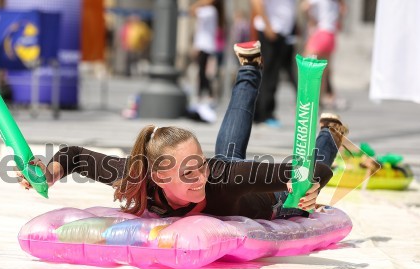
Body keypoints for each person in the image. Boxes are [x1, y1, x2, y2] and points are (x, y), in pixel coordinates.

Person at [18, 41, 349, 220]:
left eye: (199, 164)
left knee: (228, 164)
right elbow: (74, 156)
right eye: (188, 172)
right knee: (228, 157)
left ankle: (330, 132)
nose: (200, 177)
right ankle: (250, 68)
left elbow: (315, 170)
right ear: (159, 176)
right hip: (228, 189)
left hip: (273, 203)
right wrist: (50, 172)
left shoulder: (217, 176)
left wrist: (306, 185)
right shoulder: (136, 176)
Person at [251, 0, 297, 127]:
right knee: (268, 75)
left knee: (274, 75)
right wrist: (268, 26)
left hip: (283, 33)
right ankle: (263, 113)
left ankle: (265, 113)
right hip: (271, 31)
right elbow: (256, 2)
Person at [302, 0, 348, 110]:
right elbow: (343, 12)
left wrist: (311, 20)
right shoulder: (337, 3)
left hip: (320, 32)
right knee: (323, 72)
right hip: (331, 35)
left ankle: (306, 102)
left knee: (306, 66)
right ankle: (317, 102)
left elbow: (304, 7)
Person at [188, 0, 224, 123]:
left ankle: (208, 95)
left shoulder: (210, 11)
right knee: (202, 72)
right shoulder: (210, 11)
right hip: (203, 44)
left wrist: (199, 3)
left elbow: (192, 11)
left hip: (205, 45)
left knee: (203, 72)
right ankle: (204, 95)